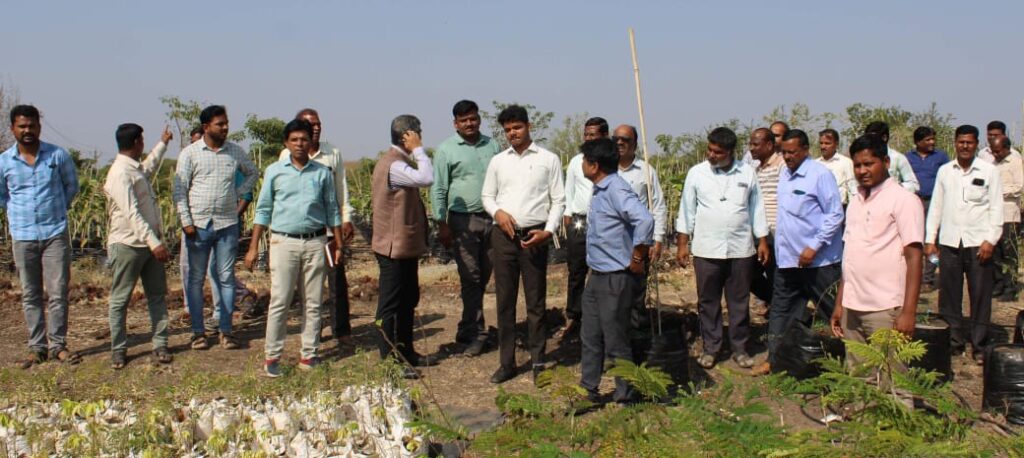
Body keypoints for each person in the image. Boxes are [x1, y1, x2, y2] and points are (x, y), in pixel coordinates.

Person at [245, 119, 343, 377]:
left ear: (312, 142)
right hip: (283, 242)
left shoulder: (322, 173)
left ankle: (309, 355)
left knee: (312, 302)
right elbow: (263, 209)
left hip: (315, 241)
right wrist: (253, 246)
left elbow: (332, 209)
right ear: (286, 143)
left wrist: (338, 243)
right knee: (280, 300)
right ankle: (272, 357)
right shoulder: (275, 171)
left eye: (304, 139)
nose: (300, 144)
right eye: (295, 140)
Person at [481, 105, 566, 384]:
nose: (512, 133)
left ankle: (539, 360)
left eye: (516, 127)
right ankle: (507, 363)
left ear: (528, 126)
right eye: (507, 130)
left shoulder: (548, 159)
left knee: (535, 301)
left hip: (535, 237)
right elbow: (487, 196)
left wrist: (549, 230)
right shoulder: (498, 161)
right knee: (504, 301)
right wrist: (499, 213)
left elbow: (558, 200)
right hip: (503, 237)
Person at [676, 127, 769, 370]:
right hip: (707, 249)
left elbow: (756, 208)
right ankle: (711, 348)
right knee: (708, 301)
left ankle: (739, 348)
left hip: (740, 249)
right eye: (709, 149)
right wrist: (683, 244)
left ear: (730, 152)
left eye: (717, 152)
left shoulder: (747, 173)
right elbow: (687, 210)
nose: (711, 155)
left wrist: (761, 240)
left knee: (739, 301)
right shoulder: (697, 173)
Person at [754, 129, 844, 376]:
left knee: (832, 312)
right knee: (781, 311)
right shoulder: (785, 175)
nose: (788, 157)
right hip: (788, 261)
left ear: (805, 150)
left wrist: (814, 246)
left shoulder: (819, 175)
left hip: (819, 262)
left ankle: (847, 362)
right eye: (784, 152)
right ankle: (776, 360)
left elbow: (835, 214)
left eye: (792, 152)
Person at [831, 135, 923, 365]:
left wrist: (908, 312)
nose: (862, 170)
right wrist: (840, 303)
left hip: (885, 307)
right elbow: (850, 256)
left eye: (869, 164)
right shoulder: (855, 202)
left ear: (886, 162)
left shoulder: (904, 200)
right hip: (853, 306)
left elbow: (914, 259)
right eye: (857, 165)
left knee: (893, 381)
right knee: (859, 378)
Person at [173, 105, 258, 351]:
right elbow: (179, 190)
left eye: (226, 123)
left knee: (226, 279)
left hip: (227, 225)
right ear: (206, 127)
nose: (225, 127)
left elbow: (252, 173)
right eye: (220, 124)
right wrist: (186, 221)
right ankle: (198, 332)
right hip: (198, 226)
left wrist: (236, 194)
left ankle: (226, 331)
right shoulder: (190, 154)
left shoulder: (234, 152)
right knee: (196, 280)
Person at [2, 105, 80, 368]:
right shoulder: (4, 162)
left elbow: (72, 186)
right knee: (31, 293)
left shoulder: (57, 156)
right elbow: (3, 196)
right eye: (22, 126)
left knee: (58, 292)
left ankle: (58, 345)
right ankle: (37, 347)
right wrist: (18, 214)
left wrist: (56, 210)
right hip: (23, 235)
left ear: (39, 126)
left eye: (31, 125)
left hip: (54, 233)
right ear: (13, 127)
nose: (27, 131)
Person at [577, 137, 653, 403]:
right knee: (590, 335)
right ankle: (589, 389)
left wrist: (638, 255)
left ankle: (626, 394)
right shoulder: (600, 189)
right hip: (597, 275)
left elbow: (644, 219)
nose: (583, 165)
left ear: (594, 165)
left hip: (615, 277)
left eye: (585, 161)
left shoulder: (616, 189)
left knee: (616, 338)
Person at [925, 125, 1002, 365]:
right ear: (955, 143)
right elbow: (936, 205)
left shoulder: (989, 171)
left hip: (979, 243)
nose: (965, 146)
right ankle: (953, 341)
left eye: (969, 142)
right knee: (949, 295)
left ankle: (979, 344)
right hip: (949, 242)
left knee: (980, 295)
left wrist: (991, 239)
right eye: (961, 142)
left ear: (977, 144)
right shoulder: (946, 171)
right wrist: (930, 239)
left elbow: (996, 208)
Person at [430, 100, 501, 356]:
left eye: (473, 118)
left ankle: (466, 326)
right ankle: (479, 334)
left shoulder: (492, 145)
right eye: (463, 120)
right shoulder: (446, 150)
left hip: (492, 218)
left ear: (479, 119)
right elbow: (438, 188)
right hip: (462, 220)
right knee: (470, 277)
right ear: (455, 124)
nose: (469, 124)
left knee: (483, 275)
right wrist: (442, 222)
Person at [278, 108, 355, 342]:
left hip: (331, 231)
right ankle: (313, 330)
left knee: (336, 282)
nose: (316, 127)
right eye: (310, 123)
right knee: (308, 286)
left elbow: (341, 188)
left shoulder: (332, 153)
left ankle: (341, 331)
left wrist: (346, 218)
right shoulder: (285, 156)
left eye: (319, 123)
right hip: (304, 232)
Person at [104, 124, 174, 369]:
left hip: (147, 245)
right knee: (120, 299)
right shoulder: (119, 173)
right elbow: (132, 213)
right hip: (128, 245)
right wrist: (155, 243)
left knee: (156, 296)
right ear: (136, 142)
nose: (143, 144)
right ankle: (118, 349)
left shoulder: (133, 169)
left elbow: (148, 168)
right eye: (142, 140)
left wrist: (163, 143)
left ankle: (160, 343)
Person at [371, 114, 435, 379]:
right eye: (417, 132)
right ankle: (389, 362)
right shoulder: (394, 166)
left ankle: (406, 351)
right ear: (406, 135)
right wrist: (419, 149)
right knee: (390, 305)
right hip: (392, 247)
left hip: (404, 246)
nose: (420, 135)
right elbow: (426, 177)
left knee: (408, 300)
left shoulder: (398, 162)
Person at [612, 124, 667, 357]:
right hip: (612, 245)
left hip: (638, 244)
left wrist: (658, 239)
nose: (620, 142)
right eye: (616, 139)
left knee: (636, 296)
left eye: (625, 139)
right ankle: (614, 350)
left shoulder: (646, 171)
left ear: (635, 143)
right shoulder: (606, 170)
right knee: (612, 298)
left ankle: (635, 348)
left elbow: (658, 206)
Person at [561, 117, 609, 341]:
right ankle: (574, 315)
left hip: (604, 223)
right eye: (586, 134)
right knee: (577, 269)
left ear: (604, 136)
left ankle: (599, 316)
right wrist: (568, 215)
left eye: (593, 135)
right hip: (580, 222)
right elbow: (568, 190)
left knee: (602, 270)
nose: (588, 138)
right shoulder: (576, 162)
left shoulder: (610, 162)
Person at [905, 126, 949, 291]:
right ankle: (913, 275)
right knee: (915, 238)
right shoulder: (908, 158)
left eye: (933, 139)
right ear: (917, 142)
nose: (932, 142)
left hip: (934, 203)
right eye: (927, 140)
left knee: (932, 241)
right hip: (914, 202)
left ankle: (929, 278)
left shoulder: (941, 157)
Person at [747, 128, 784, 309]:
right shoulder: (757, 170)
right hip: (761, 233)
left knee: (776, 276)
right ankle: (779, 307)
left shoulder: (782, 166)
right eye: (750, 144)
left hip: (776, 232)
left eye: (755, 144)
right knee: (749, 274)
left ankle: (786, 316)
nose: (751, 148)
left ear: (769, 145)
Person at [989, 135, 1022, 301]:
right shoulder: (991, 164)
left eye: (998, 151)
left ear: (1006, 148)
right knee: (994, 252)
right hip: (993, 215)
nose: (995, 154)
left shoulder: (1016, 162)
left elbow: (1018, 187)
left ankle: (1011, 287)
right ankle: (998, 283)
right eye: (993, 151)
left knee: (1009, 253)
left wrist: (997, 191)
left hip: (1010, 215)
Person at [863, 121, 920, 193]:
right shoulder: (863, 158)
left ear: (884, 138)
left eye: (873, 138)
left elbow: (914, 185)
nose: (870, 141)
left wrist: (895, 188)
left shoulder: (898, 158)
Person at [817, 129, 856, 206]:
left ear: (836, 144)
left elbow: (853, 189)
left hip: (840, 208)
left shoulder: (845, 162)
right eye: (821, 143)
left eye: (827, 143)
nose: (823, 146)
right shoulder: (815, 164)